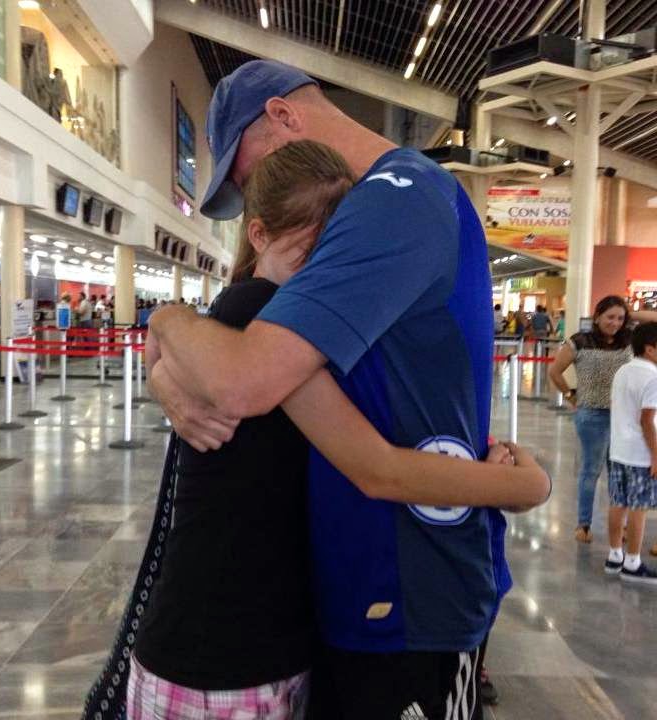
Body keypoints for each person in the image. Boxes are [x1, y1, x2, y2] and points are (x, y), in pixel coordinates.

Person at [118, 141, 549, 720]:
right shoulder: (259, 323)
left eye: (335, 259)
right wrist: (529, 486)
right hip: (219, 656)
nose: (326, 280)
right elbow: (376, 467)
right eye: (309, 256)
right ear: (259, 235)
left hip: (259, 643)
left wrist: (165, 331)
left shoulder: (254, 322)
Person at [549, 296, 657, 543]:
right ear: (597, 316)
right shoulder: (579, 341)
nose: (615, 323)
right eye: (610, 317)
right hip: (592, 415)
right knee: (591, 469)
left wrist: (630, 313)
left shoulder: (628, 339)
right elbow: (555, 371)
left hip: (624, 416)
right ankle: (584, 524)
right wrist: (571, 396)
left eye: (620, 318)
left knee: (619, 472)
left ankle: (623, 526)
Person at [605, 322, 657, 583]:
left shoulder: (623, 371)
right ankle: (633, 562)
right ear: (650, 349)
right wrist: (656, 455)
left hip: (618, 449)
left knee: (618, 502)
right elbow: (647, 420)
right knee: (639, 507)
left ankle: (615, 555)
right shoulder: (653, 377)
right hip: (640, 454)